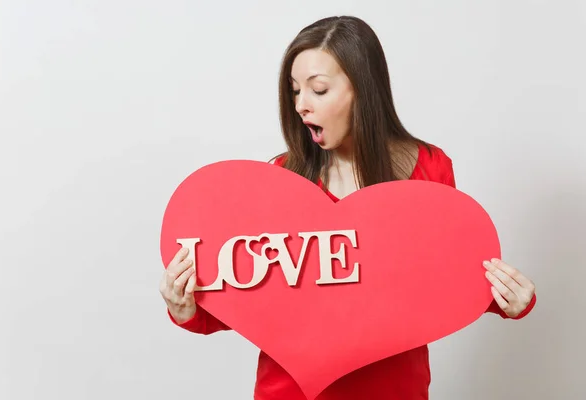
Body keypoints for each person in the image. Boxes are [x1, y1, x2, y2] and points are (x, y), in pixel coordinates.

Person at [159, 15, 537, 400]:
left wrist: (508, 301)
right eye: (294, 91)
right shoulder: (281, 178)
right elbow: (254, 295)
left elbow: (444, 279)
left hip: (394, 390)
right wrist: (187, 309)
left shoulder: (431, 169)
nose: (301, 106)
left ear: (363, 89)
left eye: (318, 90)